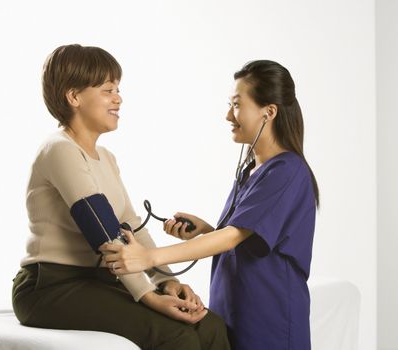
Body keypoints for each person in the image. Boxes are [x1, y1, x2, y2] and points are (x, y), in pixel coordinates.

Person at [11, 44, 230, 350]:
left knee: (210, 325)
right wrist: (148, 295)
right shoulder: (59, 149)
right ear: (74, 97)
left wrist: (167, 281)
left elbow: (131, 226)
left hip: (100, 281)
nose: (118, 98)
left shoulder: (106, 157)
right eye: (107, 89)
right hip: (50, 287)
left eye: (117, 88)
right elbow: (103, 231)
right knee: (176, 335)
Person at [101, 60, 319, 349]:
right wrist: (206, 230)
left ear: (269, 112)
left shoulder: (287, 171)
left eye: (237, 105)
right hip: (237, 315)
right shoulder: (251, 170)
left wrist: (150, 258)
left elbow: (232, 237)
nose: (229, 115)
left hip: (271, 322)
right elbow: (249, 238)